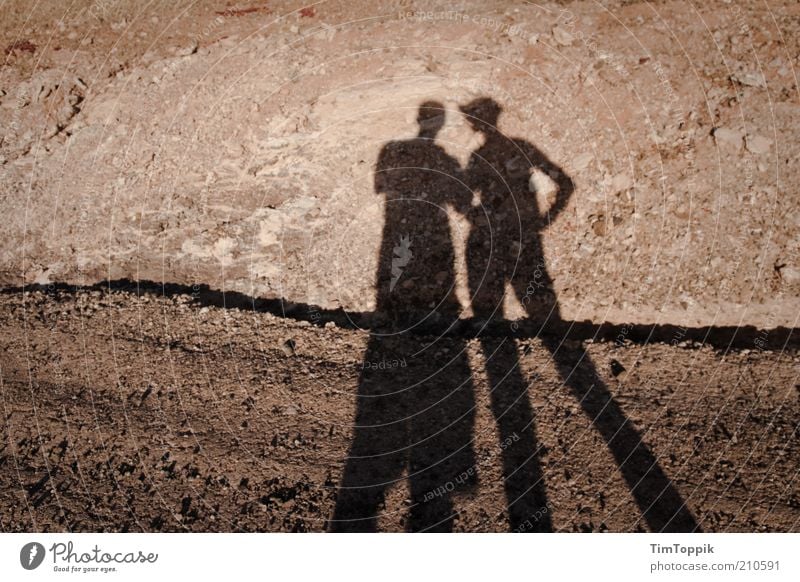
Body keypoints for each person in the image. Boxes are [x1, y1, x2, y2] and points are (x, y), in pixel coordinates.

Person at [461, 97, 698, 532]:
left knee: (492, 317)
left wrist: (480, 215)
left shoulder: (480, 156)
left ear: (478, 120)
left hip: (496, 243)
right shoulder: (522, 147)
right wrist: (544, 220)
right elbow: (565, 183)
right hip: (528, 243)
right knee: (542, 315)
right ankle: (571, 370)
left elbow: (464, 199)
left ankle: (526, 370)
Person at [330, 102, 476, 532]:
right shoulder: (445, 158)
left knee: (395, 288)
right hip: (432, 235)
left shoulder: (392, 148)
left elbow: (379, 186)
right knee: (435, 290)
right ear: (439, 124)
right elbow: (465, 202)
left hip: (395, 232)